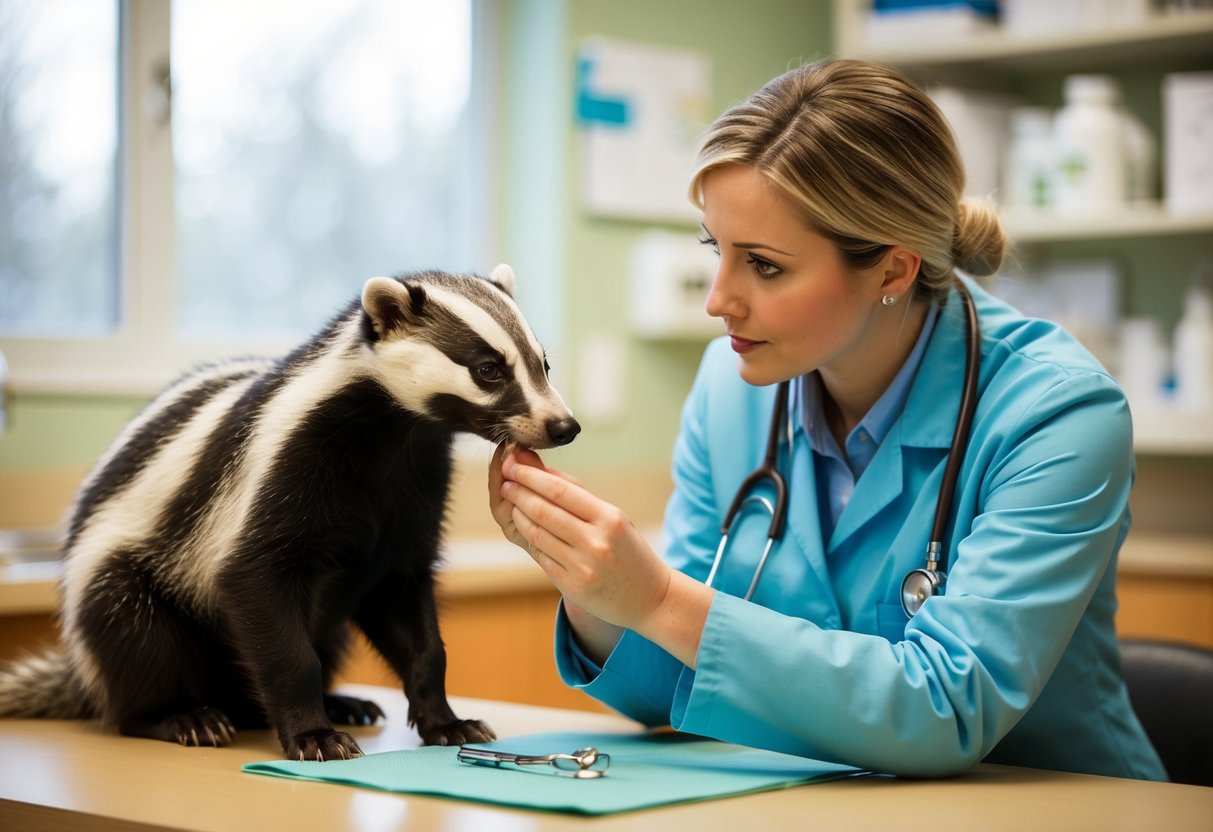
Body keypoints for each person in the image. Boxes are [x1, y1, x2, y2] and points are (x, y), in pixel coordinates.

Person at [488, 58, 1165, 780]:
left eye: (765, 266)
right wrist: (596, 592)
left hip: (1064, 809)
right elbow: (674, 679)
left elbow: (944, 706)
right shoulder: (731, 388)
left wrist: (655, 598)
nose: (717, 301)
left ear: (892, 271)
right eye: (715, 250)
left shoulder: (1056, 414)